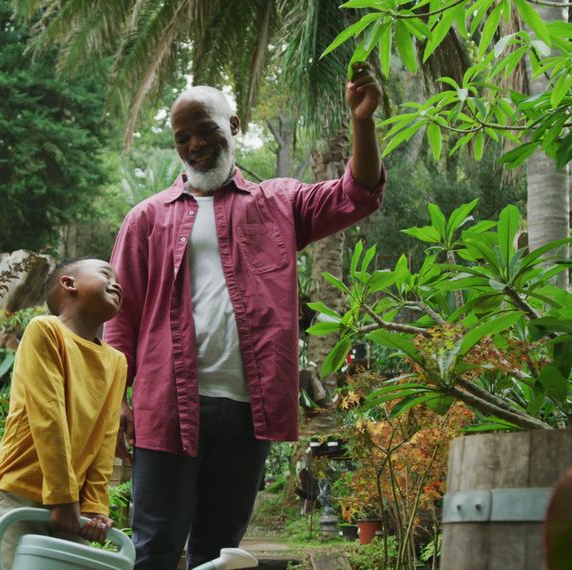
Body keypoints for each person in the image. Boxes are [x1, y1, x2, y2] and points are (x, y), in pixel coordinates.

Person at [104, 61, 387, 569]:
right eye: (182, 137)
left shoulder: (278, 203)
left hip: (245, 410)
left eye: (205, 131)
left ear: (233, 126)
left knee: (221, 555)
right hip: (164, 407)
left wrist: (362, 122)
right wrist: (112, 402)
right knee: (155, 550)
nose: (194, 145)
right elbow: (119, 318)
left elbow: (356, 195)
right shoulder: (147, 218)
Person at [0, 257, 127, 569]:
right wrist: (64, 500)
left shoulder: (117, 361)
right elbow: (48, 418)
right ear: (69, 284)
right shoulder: (45, 331)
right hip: (24, 490)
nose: (117, 283)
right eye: (106, 274)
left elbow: (105, 438)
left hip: (73, 505)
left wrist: (94, 505)